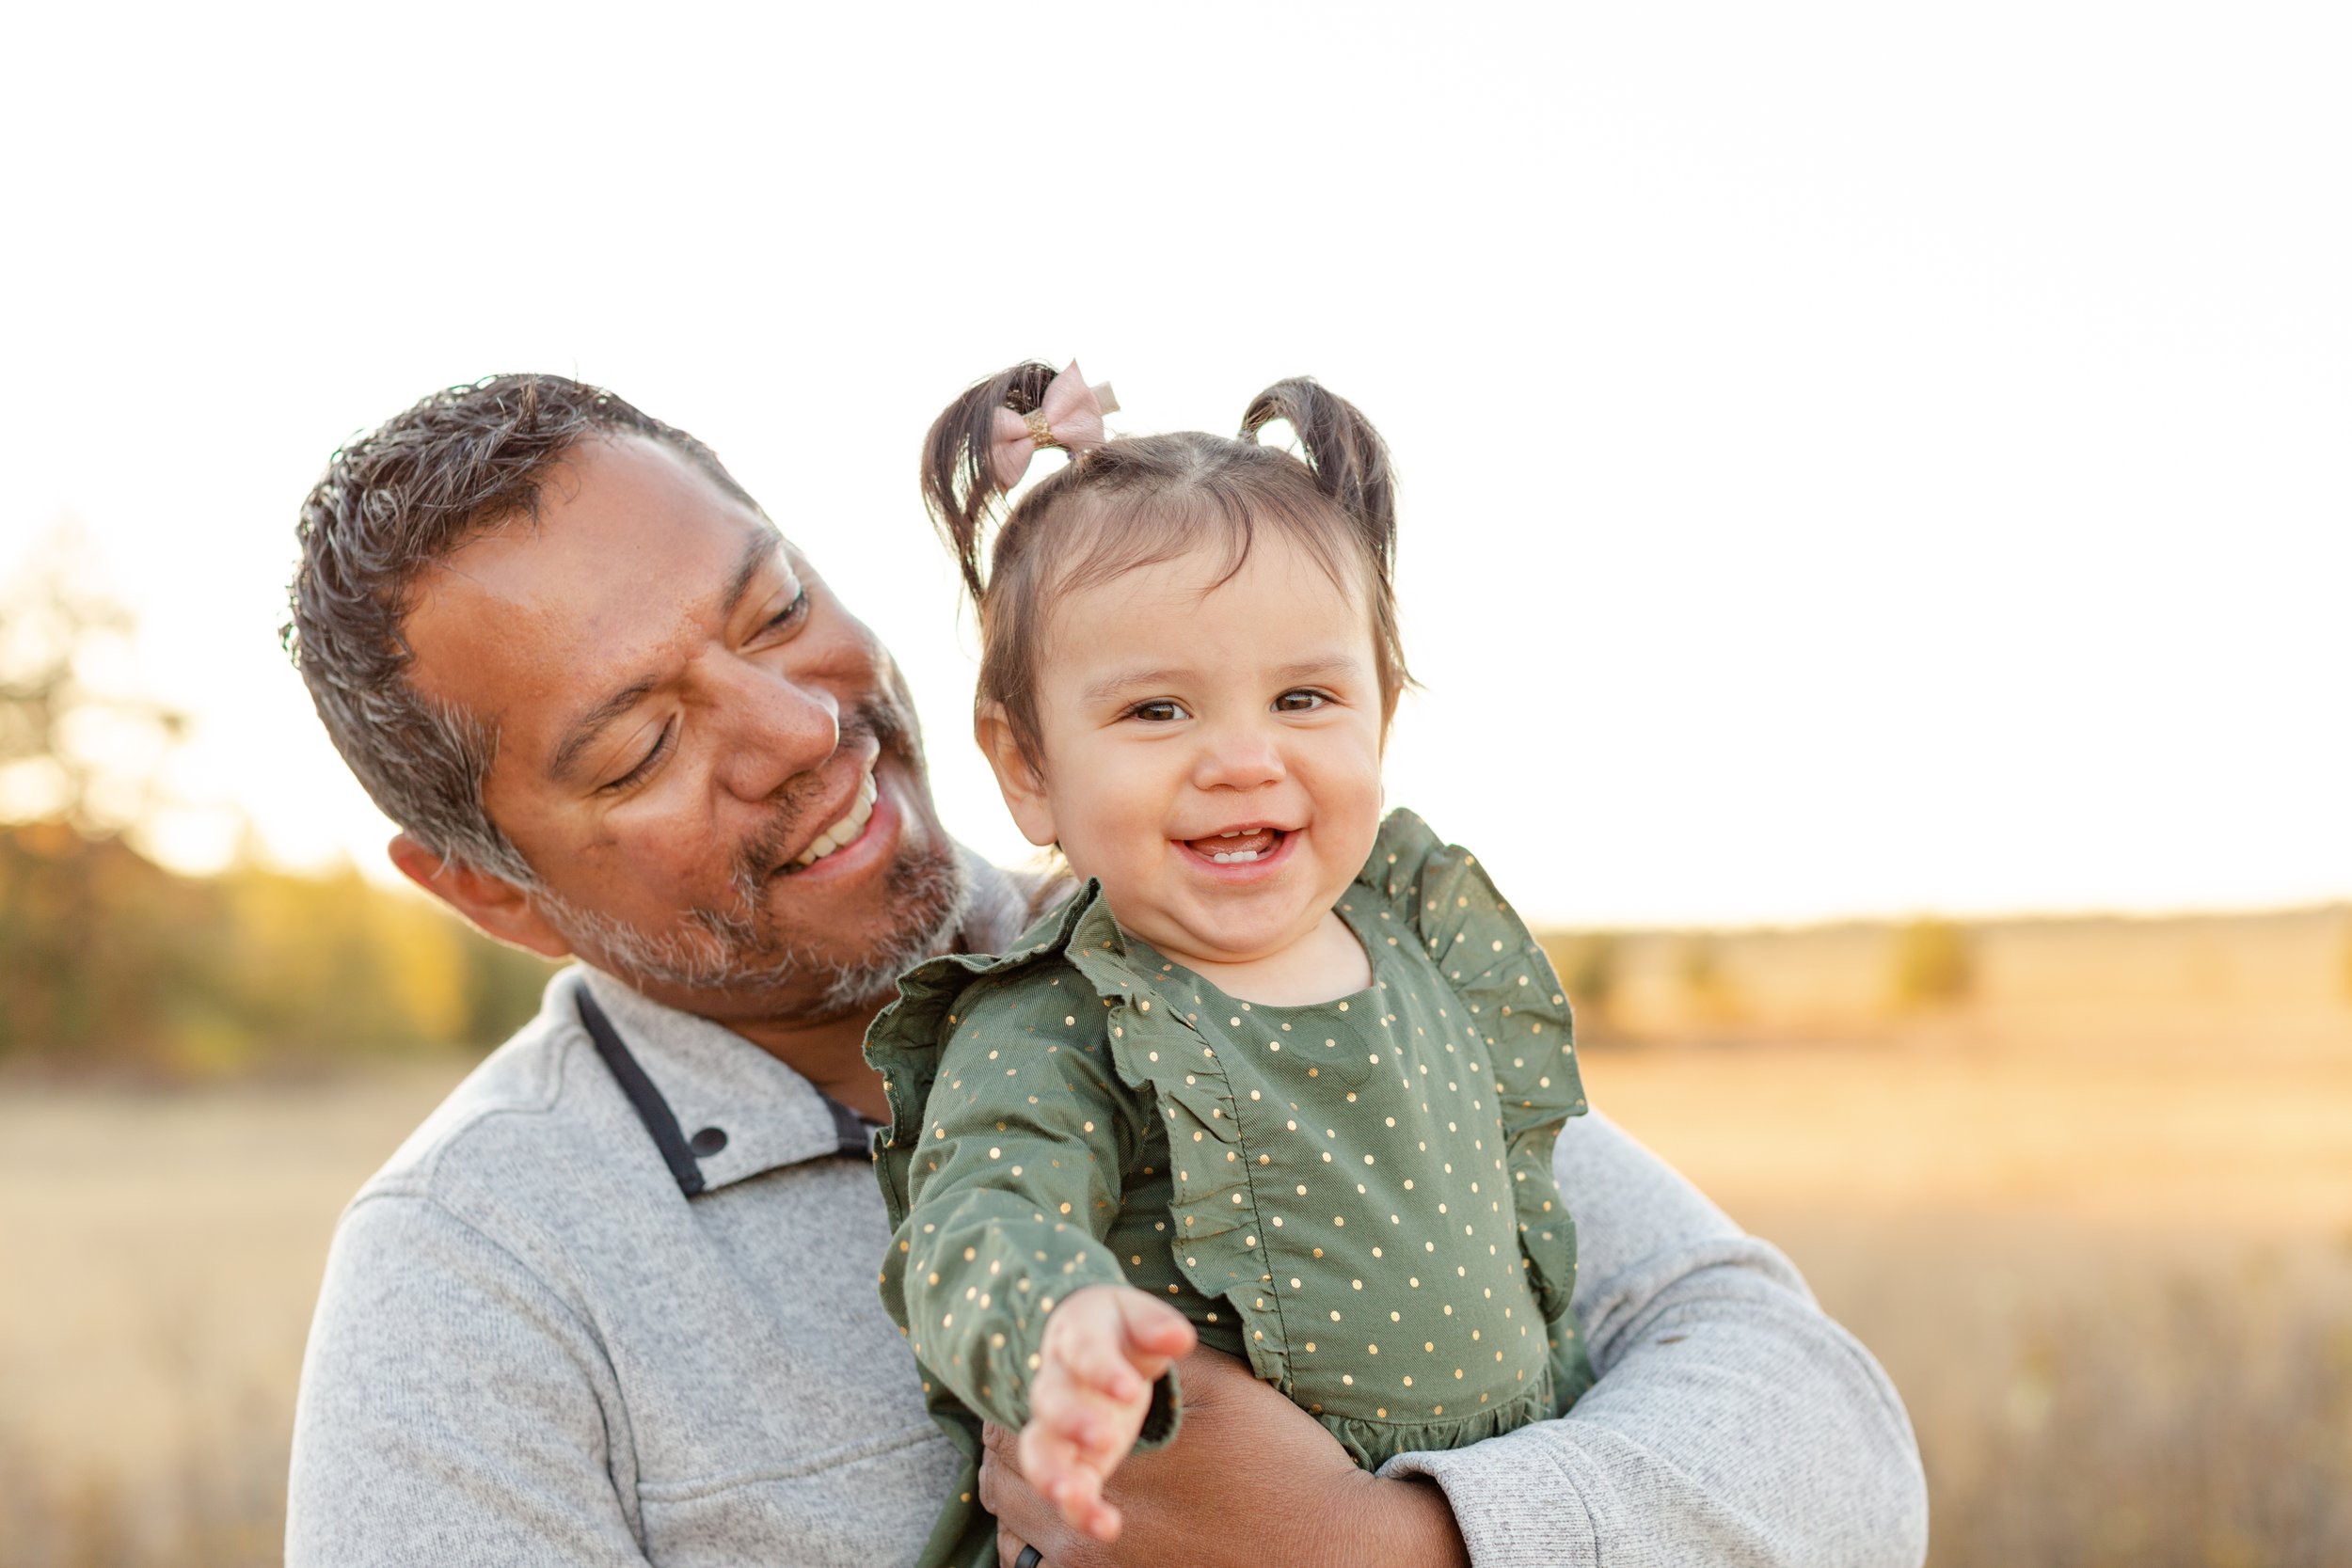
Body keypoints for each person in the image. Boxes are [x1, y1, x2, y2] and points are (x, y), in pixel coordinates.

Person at [280, 372, 1930, 1568]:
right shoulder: (477, 1281)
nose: (798, 728)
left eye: (777, 611)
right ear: (494, 896)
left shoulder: (1265, 947)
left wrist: (1386, 1550)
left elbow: (1834, 1450)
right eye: (644, 744)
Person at [870, 364, 1595, 1563]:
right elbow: (976, 1218)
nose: (1243, 758)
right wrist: (1058, 1327)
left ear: (1382, 719)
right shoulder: (1063, 1014)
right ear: (1028, 764)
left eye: (1304, 695)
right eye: (1158, 711)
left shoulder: (1422, 936)